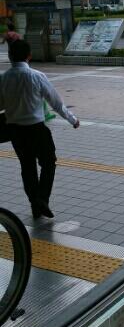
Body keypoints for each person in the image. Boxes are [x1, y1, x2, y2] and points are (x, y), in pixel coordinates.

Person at [0, 39, 80, 219]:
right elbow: (56, 103)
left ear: (10, 56)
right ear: (29, 56)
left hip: (15, 131)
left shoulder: (3, 78)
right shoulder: (37, 76)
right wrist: (72, 119)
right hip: (37, 129)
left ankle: (35, 205)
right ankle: (42, 199)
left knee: (27, 167)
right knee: (49, 163)